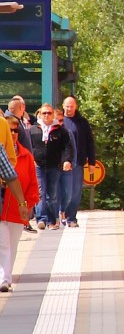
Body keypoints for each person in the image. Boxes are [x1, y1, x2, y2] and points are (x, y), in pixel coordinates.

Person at [0, 116, 39, 292]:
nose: (13, 133)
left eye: (15, 130)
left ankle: (5, 278)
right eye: (10, 130)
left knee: (11, 245)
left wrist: (25, 203)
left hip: (14, 209)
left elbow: (22, 180)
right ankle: (4, 279)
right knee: (4, 244)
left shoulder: (25, 156)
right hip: (2, 207)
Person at [29, 105, 74, 229]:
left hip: (54, 166)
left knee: (52, 194)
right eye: (44, 113)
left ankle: (52, 220)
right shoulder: (33, 129)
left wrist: (67, 161)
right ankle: (41, 219)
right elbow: (28, 146)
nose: (46, 115)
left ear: (53, 114)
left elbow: (67, 147)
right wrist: (30, 159)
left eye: (49, 113)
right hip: (38, 165)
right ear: (40, 114)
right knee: (40, 192)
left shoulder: (60, 131)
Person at [61, 95, 96, 228]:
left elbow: (89, 142)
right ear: (63, 106)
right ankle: (60, 216)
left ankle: (71, 218)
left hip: (78, 163)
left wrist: (91, 162)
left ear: (76, 107)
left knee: (75, 191)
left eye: (71, 106)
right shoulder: (59, 121)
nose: (69, 109)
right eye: (67, 106)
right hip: (61, 163)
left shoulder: (82, 123)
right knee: (62, 191)